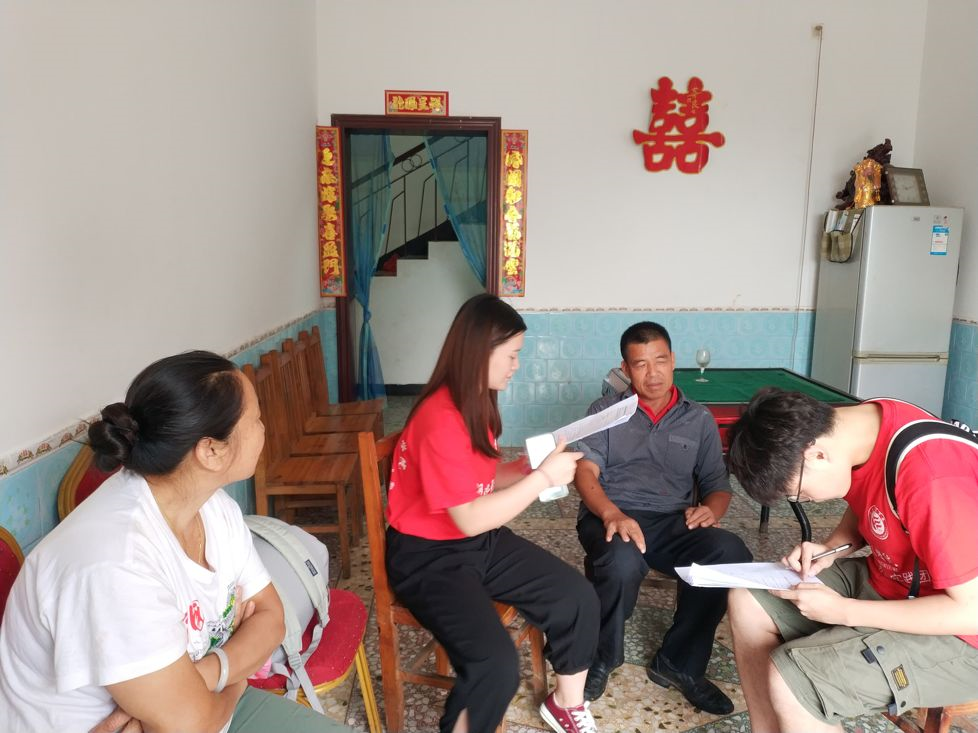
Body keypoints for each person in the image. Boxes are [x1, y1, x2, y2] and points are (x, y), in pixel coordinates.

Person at [0, 351, 353, 733]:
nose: (263, 429)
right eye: (255, 419)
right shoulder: (115, 562)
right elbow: (193, 724)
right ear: (211, 451)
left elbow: (271, 617)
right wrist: (237, 674)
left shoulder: (214, 508)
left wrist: (208, 675)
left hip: (209, 706)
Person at [385, 293, 601, 733]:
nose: (516, 365)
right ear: (478, 353)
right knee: (496, 664)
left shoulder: (474, 402)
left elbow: (479, 480)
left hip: (476, 544)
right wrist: (542, 479)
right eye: (512, 354)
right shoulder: (439, 417)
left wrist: (525, 469)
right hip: (428, 558)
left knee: (576, 597)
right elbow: (469, 516)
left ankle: (566, 703)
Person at [726, 388, 978, 732]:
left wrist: (844, 611)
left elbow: (971, 612)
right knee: (748, 599)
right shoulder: (866, 425)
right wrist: (833, 546)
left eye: (797, 494)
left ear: (816, 455)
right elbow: (876, 492)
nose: (805, 500)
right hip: (896, 585)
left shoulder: (932, 478)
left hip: (962, 633)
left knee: (799, 682)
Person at [575, 321, 751, 713]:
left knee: (730, 553)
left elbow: (717, 484)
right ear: (626, 368)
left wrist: (711, 510)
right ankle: (602, 656)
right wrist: (611, 514)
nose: (652, 373)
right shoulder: (603, 412)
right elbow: (584, 471)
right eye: (640, 364)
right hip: (611, 513)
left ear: (673, 360)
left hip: (672, 521)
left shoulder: (698, 418)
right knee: (620, 563)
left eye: (660, 361)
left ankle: (679, 663)